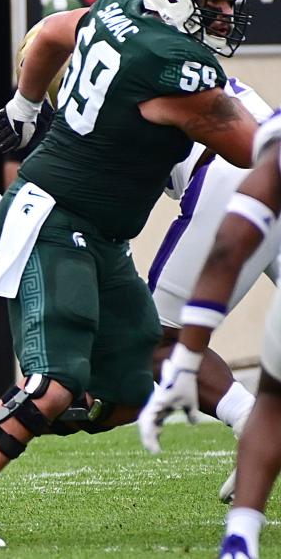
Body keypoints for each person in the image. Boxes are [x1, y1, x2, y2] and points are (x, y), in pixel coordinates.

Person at [0, 0, 259, 549]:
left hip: (95, 228)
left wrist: (23, 104)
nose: (225, 16)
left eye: (230, 3)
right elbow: (253, 148)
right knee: (54, 381)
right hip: (57, 220)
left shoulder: (124, 0)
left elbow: (48, 32)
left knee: (127, 393)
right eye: (214, 2)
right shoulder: (172, 65)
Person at [138, 115, 281, 559]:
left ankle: (245, 424)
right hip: (253, 165)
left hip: (237, 178)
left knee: (154, 339)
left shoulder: (119, 83)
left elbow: (230, 246)